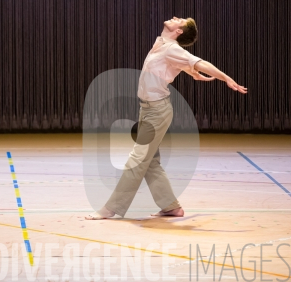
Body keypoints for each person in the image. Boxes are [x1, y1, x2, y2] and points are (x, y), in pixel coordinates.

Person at [86, 17, 247, 220]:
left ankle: (111, 208)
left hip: (157, 111)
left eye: (179, 20)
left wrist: (226, 78)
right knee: (150, 161)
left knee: (138, 159)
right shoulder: (161, 44)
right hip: (147, 109)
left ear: (179, 31)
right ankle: (171, 207)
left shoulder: (172, 48)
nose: (174, 18)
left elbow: (199, 62)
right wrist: (190, 70)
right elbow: (176, 64)